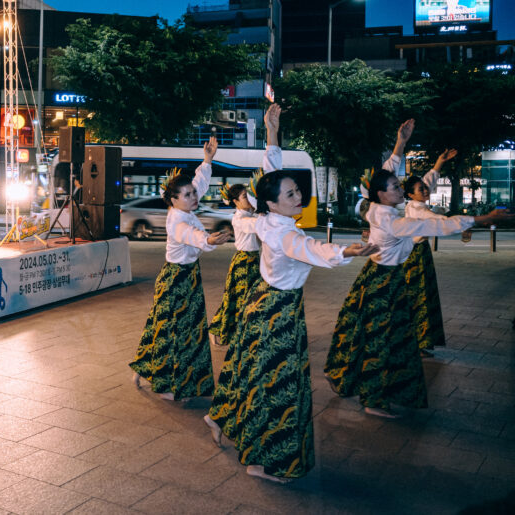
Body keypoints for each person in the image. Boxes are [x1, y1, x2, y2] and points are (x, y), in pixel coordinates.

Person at [324, 120, 512, 418]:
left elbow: (385, 174)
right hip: (384, 283)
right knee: (383, 339)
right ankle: (374, 398)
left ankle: (351, 378)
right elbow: (435, 225)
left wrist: (400, 143)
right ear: (381, 194)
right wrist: (482, 219)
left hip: (379, 278)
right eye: (396, 187)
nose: (401, 189)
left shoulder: (377, 207)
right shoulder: (393, 221)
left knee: (372, 333)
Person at [205, 170, 378, 483]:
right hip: (278, 314)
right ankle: (262, 462)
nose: (299, 197)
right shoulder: (283, 233)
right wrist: (344, 251)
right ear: (272, 203)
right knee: (278, 384)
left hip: (266, 303)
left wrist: (272, 142)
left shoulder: (266, 221)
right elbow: (308, 248)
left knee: (251, 371)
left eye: (298, 190)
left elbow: (256, 218)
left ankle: (220, 417)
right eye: (290, 194)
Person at [129, 136, 232, 400]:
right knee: (173, 331)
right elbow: (191, 235)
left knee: (183, 330)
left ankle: (162, 376)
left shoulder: (185, 208)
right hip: (175, 280)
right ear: (173, 200)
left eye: (193, 193)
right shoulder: (176, 220)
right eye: (187, 195)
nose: (194, 196)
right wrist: (209, 240)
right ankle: (167, 385)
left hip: (188, 276)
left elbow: (199, 183)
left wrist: (207, 159)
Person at [209, 104, 283, 346]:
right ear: (235, 201)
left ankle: (235, 331)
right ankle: (229, 332)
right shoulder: (240, 218)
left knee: (244, 299)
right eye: (244, 197)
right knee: (240, 300)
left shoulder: (249, 214)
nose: (248, 201)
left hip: (252, 261)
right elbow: (256, 226)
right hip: (243, 262)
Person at [402, 148, 457, 355]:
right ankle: (416, 341)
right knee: (420, 297)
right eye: (421, 190)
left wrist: (439, 162)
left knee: (420, 296)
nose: (425, 191)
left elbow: (428, 180)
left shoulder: (414, 202)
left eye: (425, 188)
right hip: (416, 256)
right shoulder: (418, 208)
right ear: (410, 194)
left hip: (417, 252)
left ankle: (416, 340)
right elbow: (437, 219)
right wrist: (461, 223)